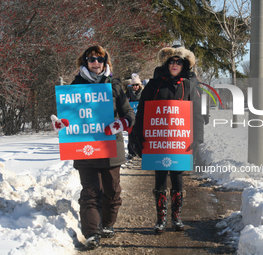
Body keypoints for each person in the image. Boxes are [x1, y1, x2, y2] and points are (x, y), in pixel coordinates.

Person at [51, 45, 135, 249]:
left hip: (110, 148)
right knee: (90, 191)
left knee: (112, 191)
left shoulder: (114, 85)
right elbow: (67, 116)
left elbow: (130, 115)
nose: (96, 63)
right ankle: (91, 232)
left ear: (106, 62)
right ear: (85, 61)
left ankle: (107, 224)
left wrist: (120, 124)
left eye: (100, 59)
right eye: (91, 59)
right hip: (84, 148)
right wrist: (60, 125)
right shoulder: (75, 85)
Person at [132, 46, 204, 233]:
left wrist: (197, 139)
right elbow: (141, 112)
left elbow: (197, 114)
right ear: (166, 63)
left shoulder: (188, 86)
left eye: (178, 62)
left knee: (178, 177)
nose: (174, 65)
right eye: (171, 61)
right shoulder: (154, 85)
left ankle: (176, 218)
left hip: (180, 141)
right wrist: (137, 135)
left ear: (184, 64)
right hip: (158, 141)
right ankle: (161, 219)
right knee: (160, 178)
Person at [125, 73, 143, 159]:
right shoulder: (127, 94)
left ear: (139, 85)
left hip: (140, 118)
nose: (135, 86)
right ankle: (131, 152)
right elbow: (123, 104)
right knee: (131, 136)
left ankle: (141, 151)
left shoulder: (143, 93)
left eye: (137, 85)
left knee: (140, 135)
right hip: (131, 118)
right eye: (133, 85)